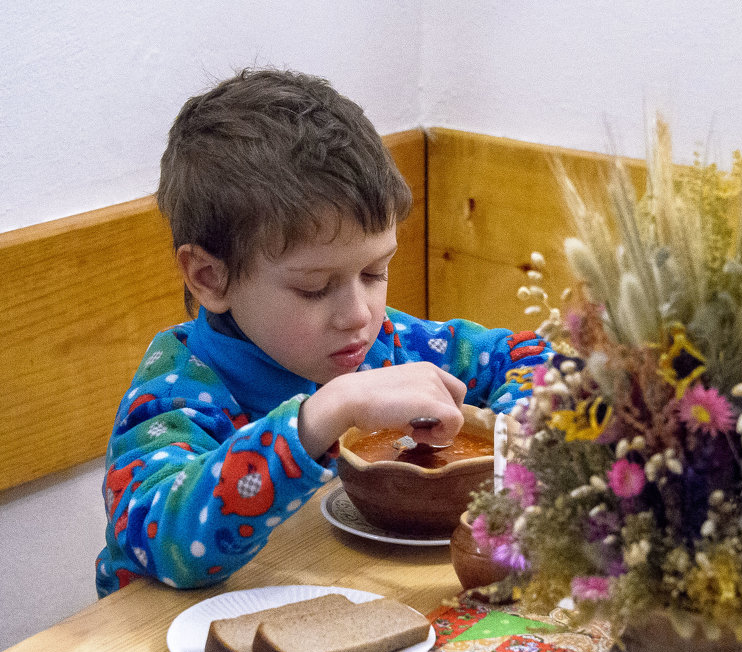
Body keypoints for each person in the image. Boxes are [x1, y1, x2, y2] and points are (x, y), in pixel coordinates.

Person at [95, 69, 549, 597]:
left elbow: (533, 356)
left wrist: (511, 440)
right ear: (209, 278)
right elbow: (165, 538)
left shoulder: (386, 343)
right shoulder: (176, 393)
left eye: (375, 272)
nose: (359, 313)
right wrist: (320, 418)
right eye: (314, 288)